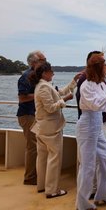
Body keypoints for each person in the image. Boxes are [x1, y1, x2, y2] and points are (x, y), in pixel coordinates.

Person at [29, 62, 80, 198]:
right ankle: (52, 190)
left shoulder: (42, 85)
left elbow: (58, 93)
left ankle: (42, 185)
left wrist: (73, 81)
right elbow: (51, 107)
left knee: (43, 157)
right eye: (51, 71)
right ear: (45, 73)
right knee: (54, 159)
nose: (53, 73)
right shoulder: (43, 87)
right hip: (51, 129)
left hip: (42, 127)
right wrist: (66, 100)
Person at [76, 53, 106, 210]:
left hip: (97, 125)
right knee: (88, 167)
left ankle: (105, 195)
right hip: (87, 126)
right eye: (105, 65)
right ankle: (82, 205)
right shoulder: (86, 85)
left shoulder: (100, 84)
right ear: (99, 67)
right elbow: (96, 105)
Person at [16, 50, 46, 185]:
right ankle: (29, 177)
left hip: (34, 114)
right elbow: (22, 98)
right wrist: (39, 95)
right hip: (27, 115)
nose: (45, 62)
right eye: (43, 60)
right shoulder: (26, 76)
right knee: (32, 146)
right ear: (34, 62)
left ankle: (35, 175)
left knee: (36, 146)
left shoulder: (37, 77)